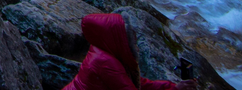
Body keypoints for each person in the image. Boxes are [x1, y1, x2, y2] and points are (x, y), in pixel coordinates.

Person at [63, 13, 197, 90]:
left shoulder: (103, 51)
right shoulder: (106, 62)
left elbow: (139, 84)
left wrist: (173, 87)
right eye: (131, 40)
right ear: (119, 40)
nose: (136, 46)